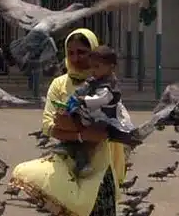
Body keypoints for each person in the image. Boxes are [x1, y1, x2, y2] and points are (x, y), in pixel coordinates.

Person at [8, 28, 126, 216]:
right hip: (66, 173)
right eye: (72, 52)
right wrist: (81, 134)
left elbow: (117, 125)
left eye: (83, 52)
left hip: (101, 173)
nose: (77, 58)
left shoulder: (107, 86)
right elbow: (50, 124)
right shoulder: (59, 85)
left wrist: (88, 128)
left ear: (95, 54)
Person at [58, 44, 139, 176]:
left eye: (97, 67)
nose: (93, 70)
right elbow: (82, 89)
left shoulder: (109, 85)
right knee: (71, 118)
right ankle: (68, 146)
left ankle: (84, 162)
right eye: (92, 67)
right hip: (93, 114)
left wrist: (83, 100)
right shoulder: (95, 80)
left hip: (104, 119)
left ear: (111, 67)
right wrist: (73, 98)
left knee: (90, 139)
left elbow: (101, 99)